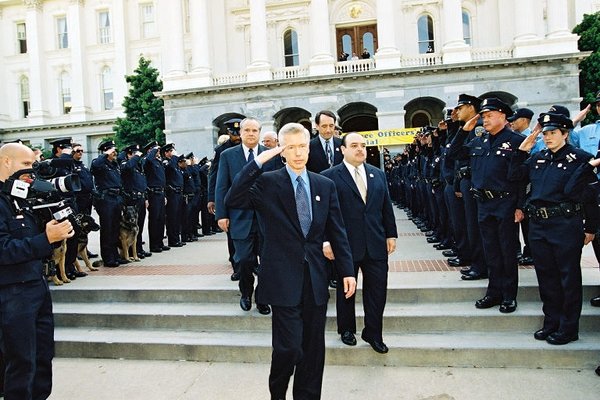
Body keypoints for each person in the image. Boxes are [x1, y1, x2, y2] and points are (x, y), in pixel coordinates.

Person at [225, 122, 356, 400]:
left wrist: (347, 271)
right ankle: (278, 393)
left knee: (312, 351)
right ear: (282, 151)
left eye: (303, 146)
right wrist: (261, 159)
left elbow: (338, 231)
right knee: (288, 348)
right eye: (291, 147)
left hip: (315, 279)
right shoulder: (268, 183)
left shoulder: (325, 185)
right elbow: (233, 197)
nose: (298, 153)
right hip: (282, 279)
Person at [510, 112, 598, 345]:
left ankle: (569, 327)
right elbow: (514, 176)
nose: (548, 137)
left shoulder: (581, 159)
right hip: (538, 225)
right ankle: (551, 322)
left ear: (565, 134)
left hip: (565, 224)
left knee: (567, 277)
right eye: (546, 133)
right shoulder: (538, 157)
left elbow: (590, 196)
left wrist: (591, 226)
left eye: (553, 133)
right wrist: (521, 152)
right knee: (546, 277)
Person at [0, 143, 74, 399]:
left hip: (36, 285)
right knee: (21, 361)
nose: (31, 171)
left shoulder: (19, 197)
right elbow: (4, 250)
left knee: (43, 357)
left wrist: (57, 228)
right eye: (25, 165)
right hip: (11, 292)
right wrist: (46, 238)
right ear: (6, 162)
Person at [321, 133, 397, 354]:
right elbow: (324, 214)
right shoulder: (329, 177)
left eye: (363, 145)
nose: (360, 149)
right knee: (347, 290)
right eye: (354, 145)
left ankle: (374, 332)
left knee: (377, 290)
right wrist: (326, 241)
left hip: (375, 243)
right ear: (342, 150)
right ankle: (346, 329)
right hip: (344, 245)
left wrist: (391, 234)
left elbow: (386, 206)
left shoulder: (377, 174)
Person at [451, 98, 524, 313]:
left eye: (489, 115)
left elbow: (522, 178)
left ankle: (509, 295)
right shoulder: (480, 141)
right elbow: (454, 154)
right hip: (483, 203)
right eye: (483, 116)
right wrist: (464, 131)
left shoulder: (516, 141)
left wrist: (520, 206)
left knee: (507, 251)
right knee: (490, 250)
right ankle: (494, 292)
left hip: (506, 203)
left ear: (503, 116)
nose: (485, 119)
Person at [215, 118, 273, 314]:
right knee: (245, 260)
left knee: (266, 261)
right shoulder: (228, 156)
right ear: (240, 133)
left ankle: (263, 298)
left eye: (254, 130)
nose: (250, 133)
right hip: (240, 217)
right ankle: (246, 293)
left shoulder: (270, 155)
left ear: (259, 133)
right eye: (247, 130)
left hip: (266, 219)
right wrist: (221, 214)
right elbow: (222, 186)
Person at [91, 140, 123, 268]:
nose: (114, 153)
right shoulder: (99, 163)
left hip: (116, 198)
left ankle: (115, 255)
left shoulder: (114, 165)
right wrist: (105, 154)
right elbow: (94, 167)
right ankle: (108, 258)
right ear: (106, 151)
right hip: (106, 199)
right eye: (112, 151)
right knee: (107, 229)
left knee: (115, 228)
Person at [120, 144, 151, 259]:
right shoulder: (126, 164)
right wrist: (135, 157)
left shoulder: (138, 166)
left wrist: (146, 197)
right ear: (129, 154)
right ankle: (134, 251)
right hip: (131, 199)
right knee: (132, 225)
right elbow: (127, 167)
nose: (137, 156)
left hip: (141, 198)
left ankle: (139, 249)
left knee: (140, 225)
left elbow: (143, 183)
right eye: (134, 153)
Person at [142, 141, 169, 253]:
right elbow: (148, 160)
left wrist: (165, 195)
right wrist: (153, 150)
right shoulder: (148, 161)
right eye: (156, 150)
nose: (158, 152)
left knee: (161, 219)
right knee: (154, 219)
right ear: (150, 150)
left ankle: (160, 243)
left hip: (161, 192)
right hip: (153, 193)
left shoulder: (158, 162)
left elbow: (163, 180)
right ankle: (154, 245)